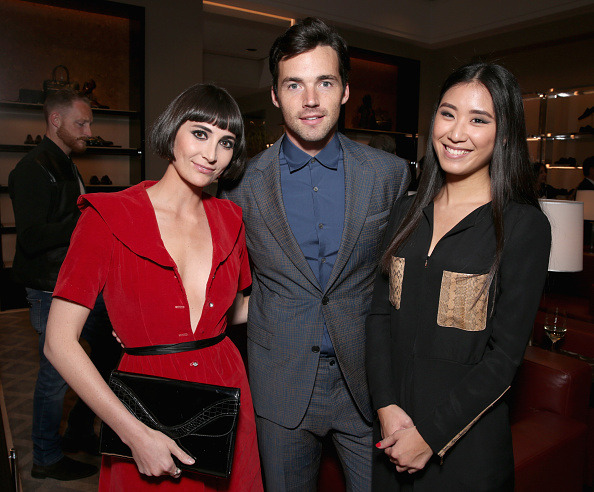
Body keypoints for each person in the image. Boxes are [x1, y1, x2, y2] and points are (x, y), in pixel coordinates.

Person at [220, 17, 410, 491]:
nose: (310, 100)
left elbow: (402, 282)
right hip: (280, 384)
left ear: (345, 91)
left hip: (368, 385)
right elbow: (216, 277)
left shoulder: (388, 175)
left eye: (324, 82)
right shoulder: (238, 185)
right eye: (294, 84)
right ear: (274, 94)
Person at [44, 84, 263, 491]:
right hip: (146, 400)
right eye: (200, 133)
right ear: (172, 132)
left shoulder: (231, 219)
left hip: (226, 388)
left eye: (226, 142)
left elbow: (232, 309)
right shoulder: (107, 216)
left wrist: (306, 297)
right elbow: (58, 342)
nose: (212, 154)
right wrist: (134, 433)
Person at [366, 62, 551, 491]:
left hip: (464, 452)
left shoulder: (522, 226)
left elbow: (504, 358)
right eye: (448, 114)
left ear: (505, 134)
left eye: (478, 120)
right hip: (391, 436)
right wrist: (385, 406)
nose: (456, 132)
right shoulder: (406, 211)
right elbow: (377, 316)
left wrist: (429, 437)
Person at [8, 89, 120, 481]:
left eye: (89, 123)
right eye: (81, 123)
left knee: (108, 351)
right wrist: (88, 220)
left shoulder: (65, 163)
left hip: (77, 283)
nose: (88, 131)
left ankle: (78, 431)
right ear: (55, 121)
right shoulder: (31, 169)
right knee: (55, 376)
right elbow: (31, 238)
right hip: (49, 289)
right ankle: (45, 456)